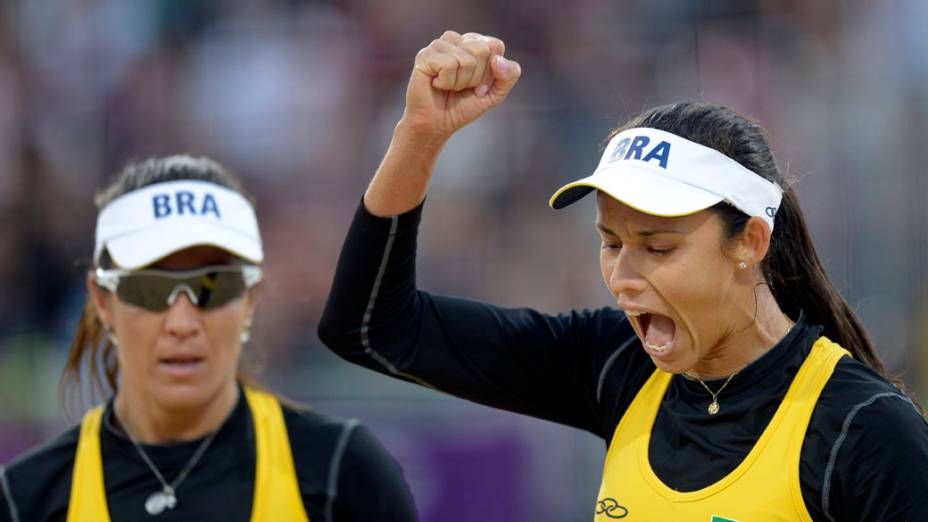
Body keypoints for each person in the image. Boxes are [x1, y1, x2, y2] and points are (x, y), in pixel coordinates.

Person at [317, 30, 928, 521]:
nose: (623, 277)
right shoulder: (616, 364)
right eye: (610, 243)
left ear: (751, 241)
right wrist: (419, 137)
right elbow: (370, 327)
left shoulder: (863, 430)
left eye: (658, 248)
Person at [0, 156, 417, 521]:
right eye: (149, 287)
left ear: (251, 298)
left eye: (213, 285)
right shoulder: (28, 499)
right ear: (103, 301)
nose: (181, 322)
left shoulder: (342, 473)